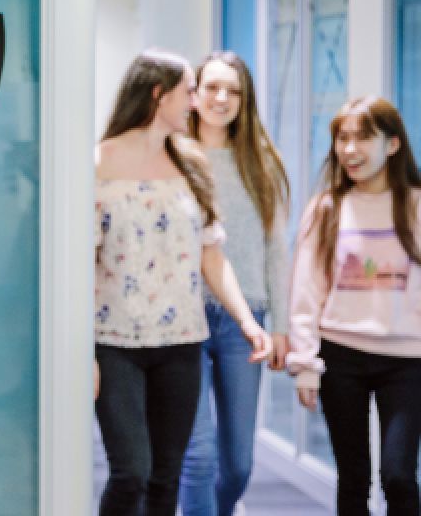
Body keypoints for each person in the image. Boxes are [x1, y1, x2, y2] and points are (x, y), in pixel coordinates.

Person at [93, 49, 272, 516]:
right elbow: (79, 266)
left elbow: (213, 255)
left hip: (181, 343)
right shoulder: (96, 164)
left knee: (166, 478)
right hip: (115, 344)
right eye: (190, 90)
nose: (196, 101)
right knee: (130, 472)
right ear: (158, 94)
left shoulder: (191, 163)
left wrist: (247, 321)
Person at [286, 96, 421, 516]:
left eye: (363, 138)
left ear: (393, 144)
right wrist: (305, 362)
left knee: (399, 475)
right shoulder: (326, 209)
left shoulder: (416, 206)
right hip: (341, 356)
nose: (349, 150)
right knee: (353, 477)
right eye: (342, 138)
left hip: (407, 359)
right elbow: (306, 291)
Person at [177, 51, 292, 516]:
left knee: (239, 465)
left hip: (246, 321)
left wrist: (280, 323)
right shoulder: (176, 155)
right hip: (183, 317)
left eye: (234, 91)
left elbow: (275, 247)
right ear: (195, 94)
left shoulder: (261, 162)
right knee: (198, 456)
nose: (222, 98)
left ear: (245, 101)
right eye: (213, 88)